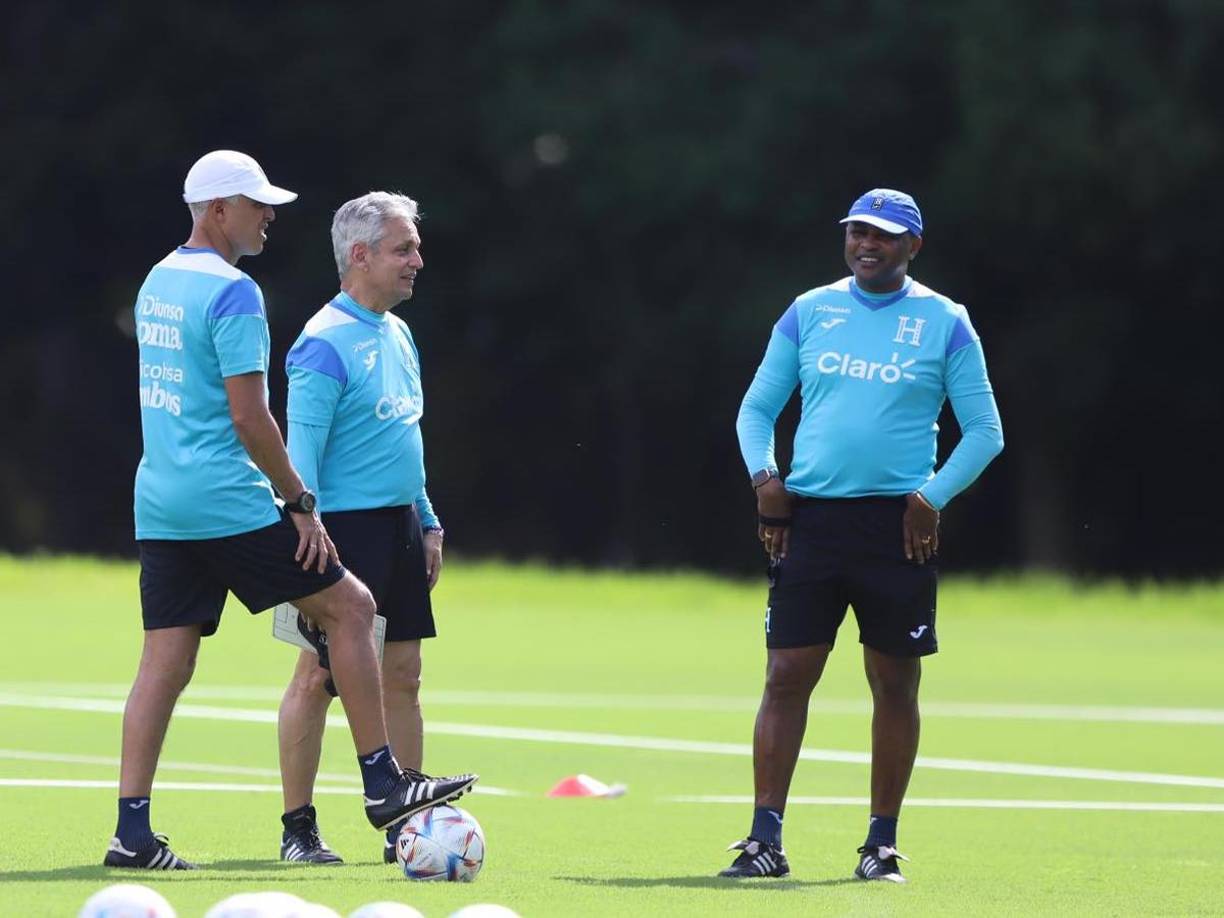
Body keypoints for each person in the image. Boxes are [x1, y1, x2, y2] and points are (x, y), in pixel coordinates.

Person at [107, 152, 476, 871]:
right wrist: (300, 503)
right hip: (226, 499)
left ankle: (132, 831)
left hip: (160, 498)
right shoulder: (236, 293)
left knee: (165, 661)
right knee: (350, 610)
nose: (268, 215)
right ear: (218, 210)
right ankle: (382, 784)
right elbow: (251, 419)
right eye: (255, 204)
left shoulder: (158, 280)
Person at [724, 189, 1003, 883]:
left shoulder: (945, 322)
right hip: (810, 521)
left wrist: (929, 498)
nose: (866, 244)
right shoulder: (809, 310)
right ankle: (764, 841)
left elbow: (986, 433)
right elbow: (758, 408)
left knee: (893, 681)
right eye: (857, 232)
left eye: (883, 235)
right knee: (786, 675)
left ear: (913, 245)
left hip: (897, 529)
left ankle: (880, 844)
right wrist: (767, 482)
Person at [274, 192, 452, 866]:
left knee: (403, 673)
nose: (417, 260)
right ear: (360, 255)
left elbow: (402, 435)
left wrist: (428, 519)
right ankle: (299, 830)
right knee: (317, 678)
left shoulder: (397, 332)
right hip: (338, 533)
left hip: (401, 526)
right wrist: (306, 536)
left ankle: (406, 827)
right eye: (403, 249)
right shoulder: (322, 343)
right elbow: (299, 459)